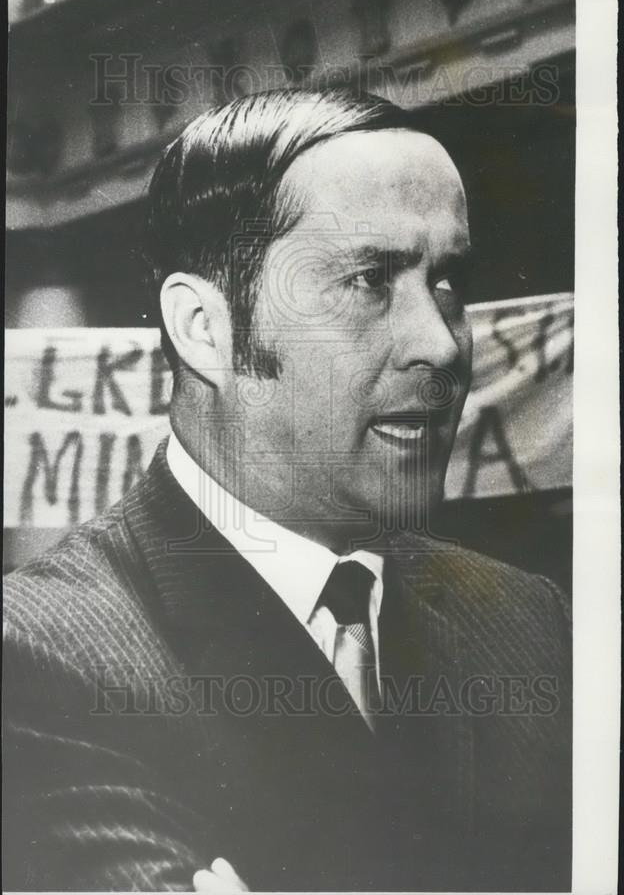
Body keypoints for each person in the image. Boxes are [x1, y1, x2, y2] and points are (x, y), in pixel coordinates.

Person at [3, 89, 571, 892]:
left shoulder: (527, 619)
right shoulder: (39, 658)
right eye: (369, 280)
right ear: (205, 328)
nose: (442, 345)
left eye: (448, 282)